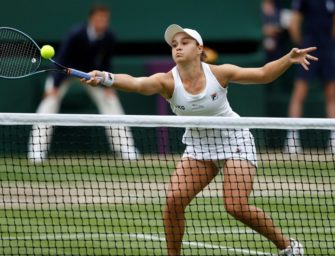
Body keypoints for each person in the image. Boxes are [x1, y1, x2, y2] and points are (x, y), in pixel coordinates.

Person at [81, 24, 317, 255]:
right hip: (198, 146)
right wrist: (105, 77)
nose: (178, 48)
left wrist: (288, 58)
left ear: (199, 48)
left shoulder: (219, 73)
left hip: (235, 140)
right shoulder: (167, 81)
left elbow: (263, 74)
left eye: (185, 43)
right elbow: (137, 83)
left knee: (235, 206)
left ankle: (288, 246)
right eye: (174, 45)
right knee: (173, 201)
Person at [27, 4, 139, 163]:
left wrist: (109, 84)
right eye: (99, 17)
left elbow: (106, 62)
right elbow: (62, 59)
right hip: (65, 71)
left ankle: (125, 148)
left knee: (110, 101)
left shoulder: (109, 36)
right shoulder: (76, 34)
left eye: (105, 18)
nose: (102, 21)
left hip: (90, 74)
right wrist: (54, 86)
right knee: (49, 102)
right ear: (91, 19)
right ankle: (36, 150)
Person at [284, 0, 335, 154]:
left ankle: (333, 139)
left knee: (332, 95)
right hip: (308, 48)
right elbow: (294, 24)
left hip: (328, 50)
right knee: (299, 93)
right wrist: (301, 47)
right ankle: (292, 139)